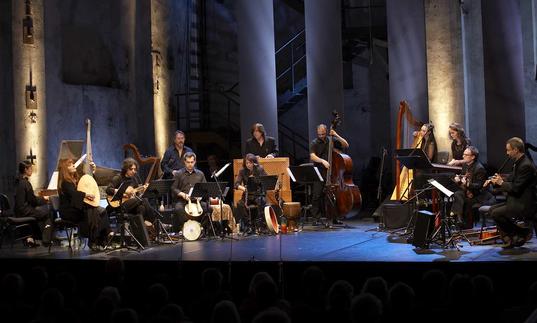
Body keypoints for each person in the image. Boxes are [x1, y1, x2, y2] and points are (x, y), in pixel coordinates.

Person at [486, 137, 537, 248]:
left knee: (496, 213)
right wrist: (499, 179)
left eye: (508, 150)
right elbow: (512, 177)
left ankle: (518, 234)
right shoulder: (518, 162)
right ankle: (513, 237)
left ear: (516, 150)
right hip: (516, 199)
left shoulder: (526, 165)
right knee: (491, 210)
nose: (507, 153)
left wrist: (500, 182)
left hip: (524, 203)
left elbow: (516, 188)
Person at [57, 158, 110, 250]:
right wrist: (86, 195)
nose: (73, 165)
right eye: (70, 164)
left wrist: (92, 172)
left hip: (78, 208)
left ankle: (100, 239)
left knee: (101, 210)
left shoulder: (76, 180)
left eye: (73, 163)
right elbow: (73, 194)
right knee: (93, 210)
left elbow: (88, 184)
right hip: (69, 211)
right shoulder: (65, 183)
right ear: (65, 169)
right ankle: (95, 240)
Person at [309, 124, 349, 224]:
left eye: (323, 134)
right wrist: (322, 161)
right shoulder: (314, 142)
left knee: (333, 195)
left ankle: (335, 217)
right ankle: (316, 218)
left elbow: (346, 145)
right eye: (319, 134)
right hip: (320, 171)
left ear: (326, 132)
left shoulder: (331, 140)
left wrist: (336, 135)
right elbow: (312, 156)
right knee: (316, 195)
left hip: (332, 172)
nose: (321, 136)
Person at [105, 158, 154, 240]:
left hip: (131, 204)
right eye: (131, 169)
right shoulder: (118, 177)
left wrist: (143, 190)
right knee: (143, 201)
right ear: (125, 169)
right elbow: (108, 189)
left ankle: (139, 235)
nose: (133, 171)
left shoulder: (134, 179)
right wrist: (123, 191)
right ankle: (152, 221)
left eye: (135, 169)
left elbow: (138, 194)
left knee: (141, 207)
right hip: (119, 205)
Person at [450, 146, 491, 228]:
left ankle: (459, 220)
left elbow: (479, 186)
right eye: (463, 154)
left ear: (473, 157)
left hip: (478, 194)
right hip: (468, 191)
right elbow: (464, 177)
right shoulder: (465, 165)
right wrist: (459, 179)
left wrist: (467, 184)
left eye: (466, 155)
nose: (463, 156)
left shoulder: (479, 168)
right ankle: (459, 218)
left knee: (463, 200)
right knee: (457, 193)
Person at [13, 160, 52, 247]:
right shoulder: (26, 183)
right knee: (47, 215)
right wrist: (44, 199)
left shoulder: (17, 181)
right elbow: (33, 201)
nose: (32, 170)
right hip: (25, 211)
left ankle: (30, 239)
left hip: (18, 211)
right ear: (25, 170)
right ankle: (46, 240)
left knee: (37, 213)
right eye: (30, 168)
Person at [171, 152, 208, 232]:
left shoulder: (200, 174)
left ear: (194, 162)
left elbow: (205, 188)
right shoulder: (179, 173)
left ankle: (200, 227)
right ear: (184, 162)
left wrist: (201, 196)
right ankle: (187, 227)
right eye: (188, 162)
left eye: (192, 162)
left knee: (209, 208)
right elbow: (173, 188)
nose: (190, 164)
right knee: (178, 208)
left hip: (196, 200)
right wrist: (182, 194)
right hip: (183, 200)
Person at [234, 153, 267, 234]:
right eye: (247, 163)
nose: (248, 165)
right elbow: (236, 184)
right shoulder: (242, 171)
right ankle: (248, 226)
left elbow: (267, 180)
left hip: (258, 195)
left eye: (250, 163)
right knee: (239, 204)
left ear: (254, 162)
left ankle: (260, 226)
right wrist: (243, 188)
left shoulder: (259, 169)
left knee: (261, 202)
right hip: (247, 195)